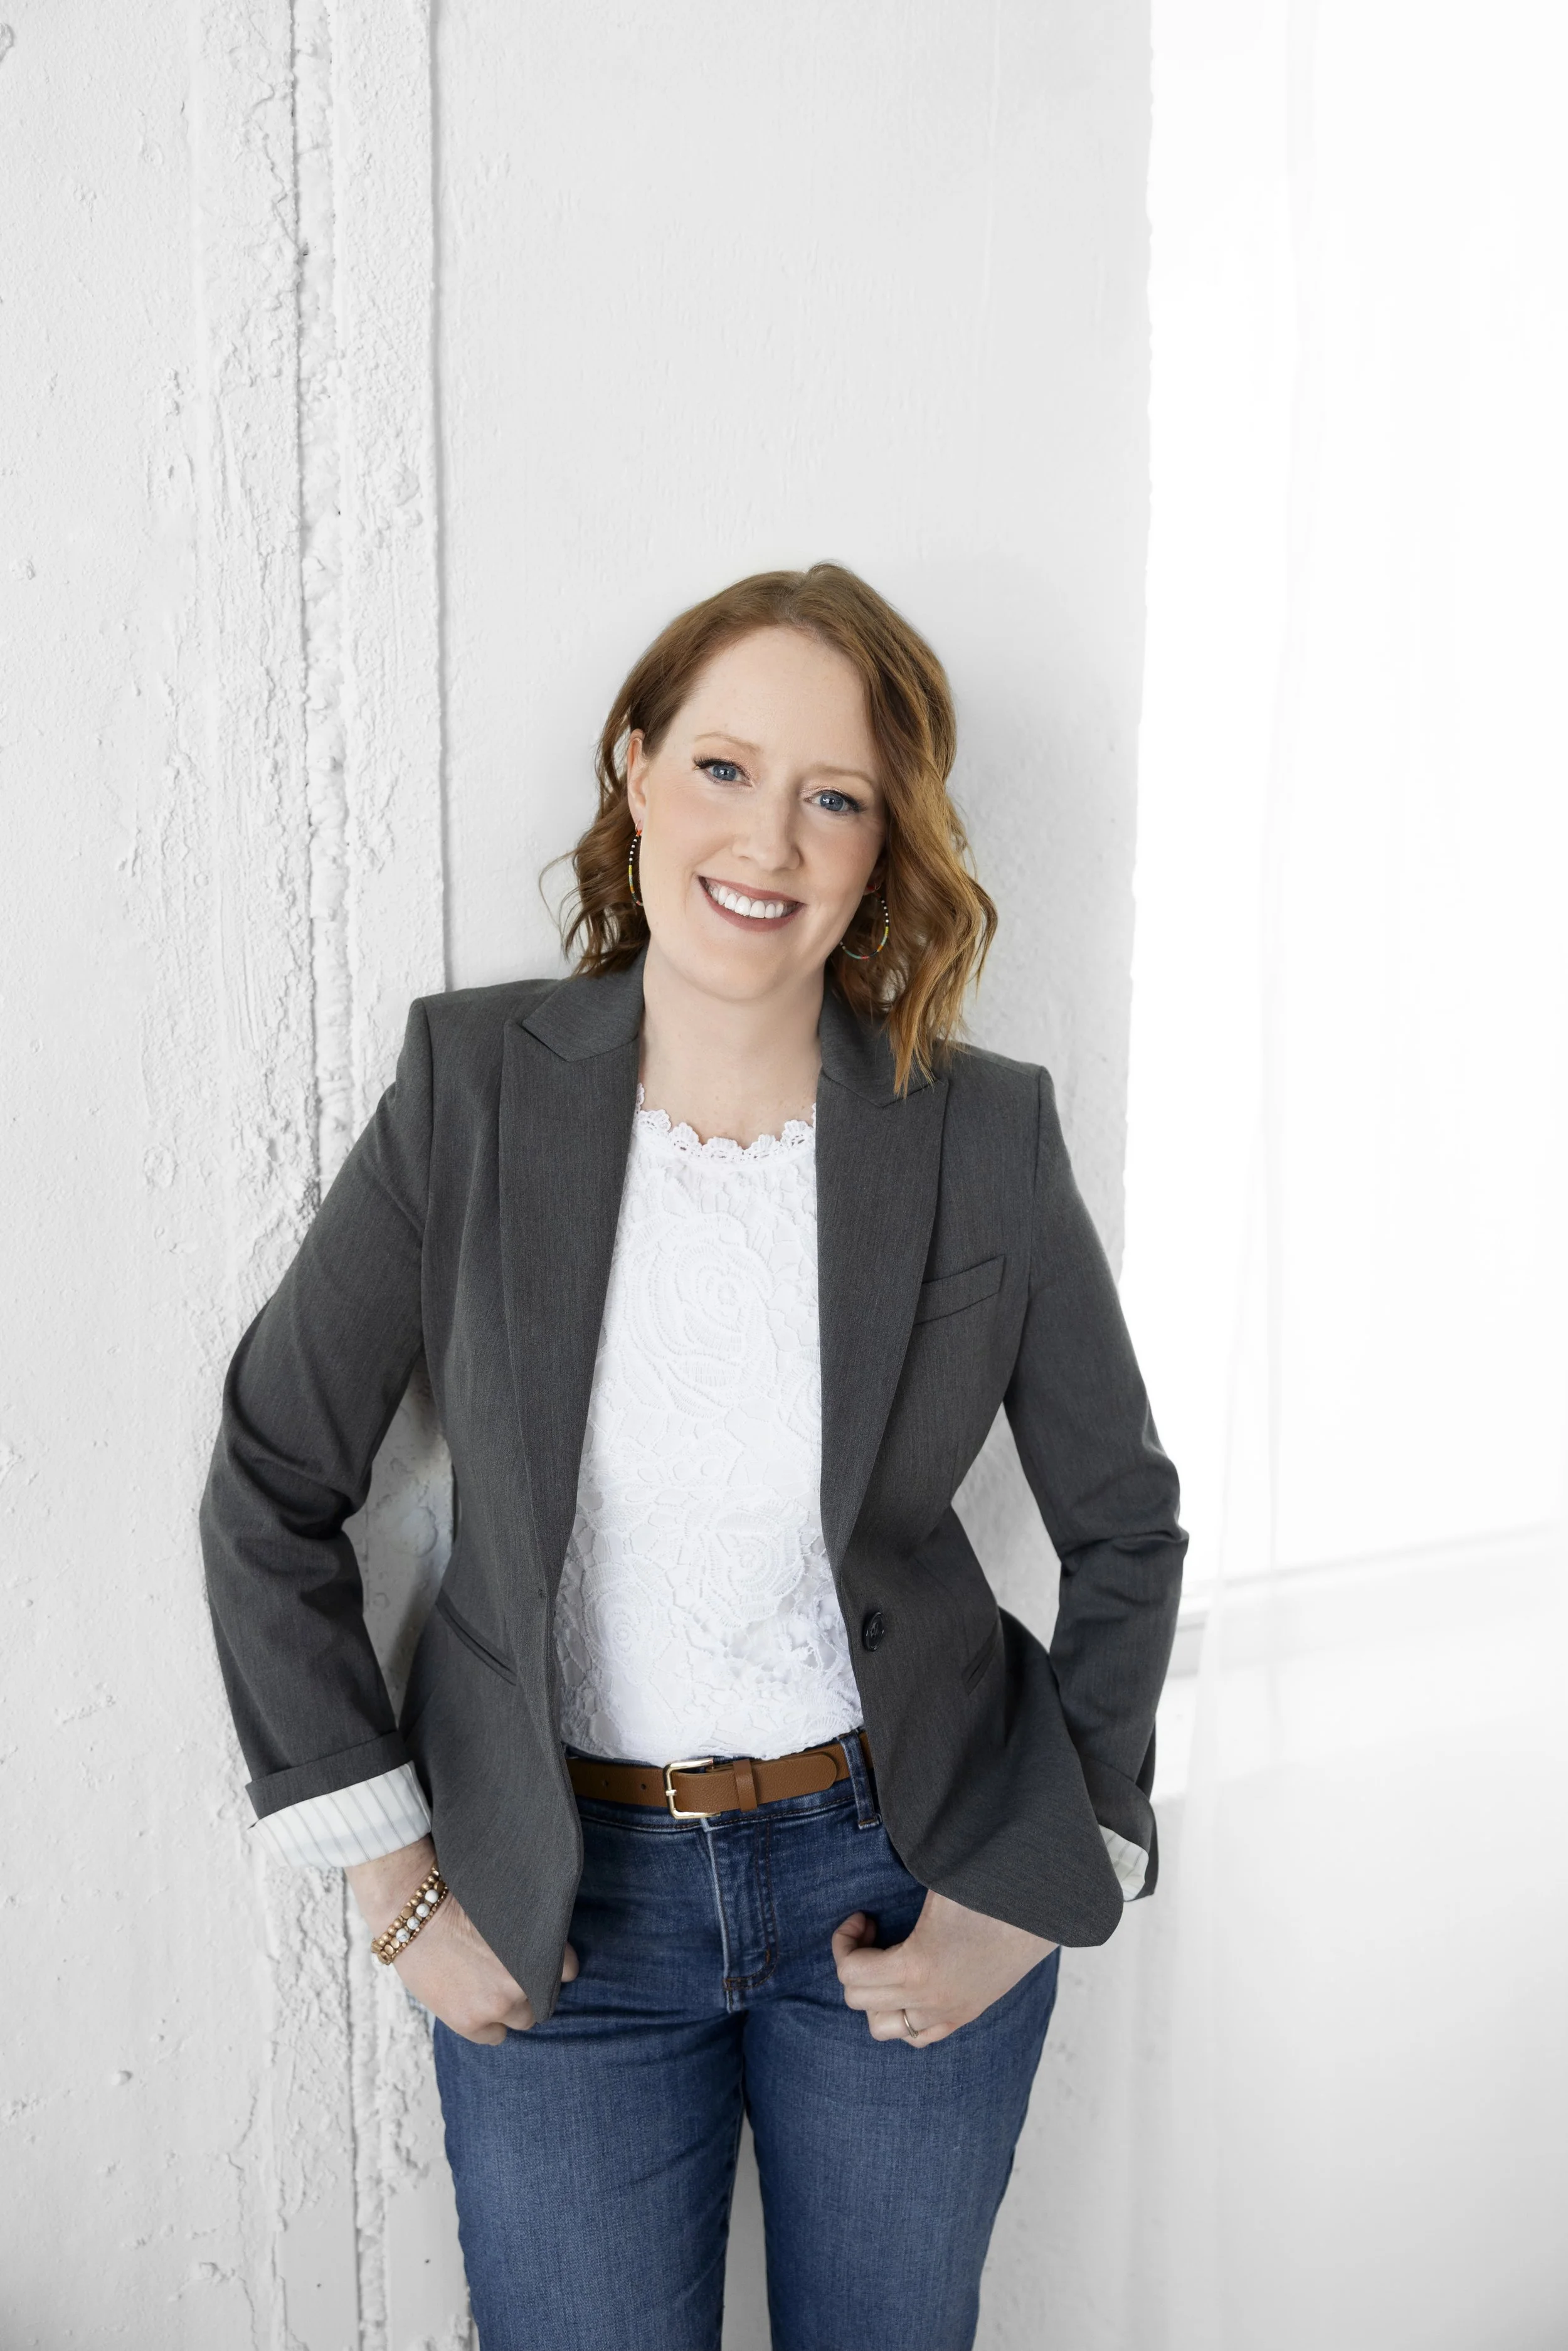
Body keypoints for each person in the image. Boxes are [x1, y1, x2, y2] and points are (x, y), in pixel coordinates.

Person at [200, 561, 1185, 2351]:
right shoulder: (471, 1086)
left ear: (884, 844)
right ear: (636, 772)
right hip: (556, 1896)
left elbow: (1125, 1528)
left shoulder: (983, 1135)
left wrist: (1044, 1881)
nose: (772, 839)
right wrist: (392, 1878)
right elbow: (271, 1475)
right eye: (725, 768)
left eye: (836, 796)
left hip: (896, 1868)